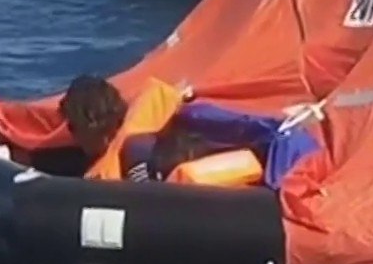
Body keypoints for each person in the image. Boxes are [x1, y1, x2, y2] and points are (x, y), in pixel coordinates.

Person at [58, 74, 263, 186]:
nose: (71, 135)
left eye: (72, 126)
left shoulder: (134, 152)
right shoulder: (148, 122)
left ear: (92, 124)